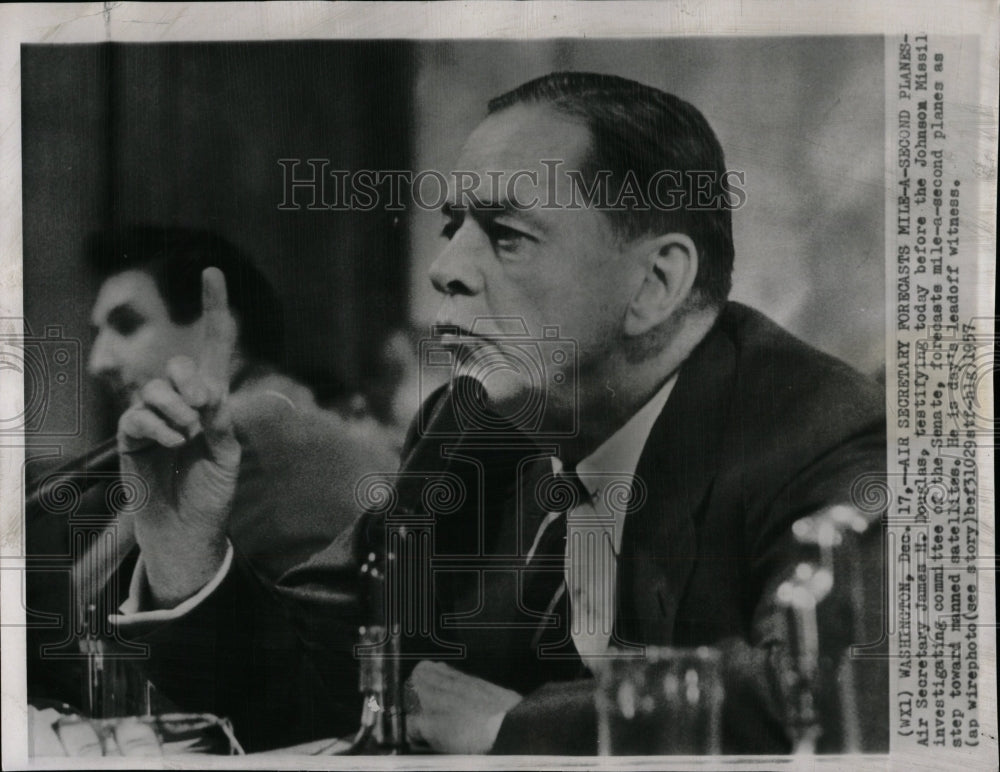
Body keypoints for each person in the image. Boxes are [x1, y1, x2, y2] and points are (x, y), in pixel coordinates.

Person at [106, 74, 887, 754]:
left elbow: (858, 694)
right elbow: (336, 674)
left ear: (656, 282)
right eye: (452, 229)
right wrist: (186, 559)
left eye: (507, 235)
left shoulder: (826, 433)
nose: (444, 271)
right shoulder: (465, 430)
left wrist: (516, 730)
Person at [26, 226, 397, 712]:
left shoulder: (250, 424)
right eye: (98, 334)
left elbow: (74, 619)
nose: (98, 361)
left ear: (214, 328)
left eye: (127, 325)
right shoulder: (284, 403)